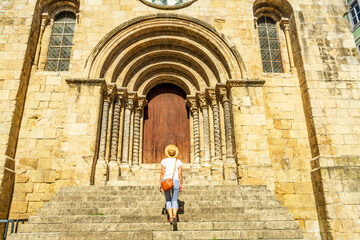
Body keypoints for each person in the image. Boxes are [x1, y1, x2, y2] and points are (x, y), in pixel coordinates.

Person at [159, 144, 183, 226]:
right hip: (176, 180)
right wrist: (181, 184)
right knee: (175, 199)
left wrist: (160, 184)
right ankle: (174, 215)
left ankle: (171, 217)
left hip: (166, 181)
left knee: (168, 199)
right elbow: (180, 174)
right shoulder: (178, 161)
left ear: (167, 153)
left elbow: (162, 173)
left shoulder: (164, 161)